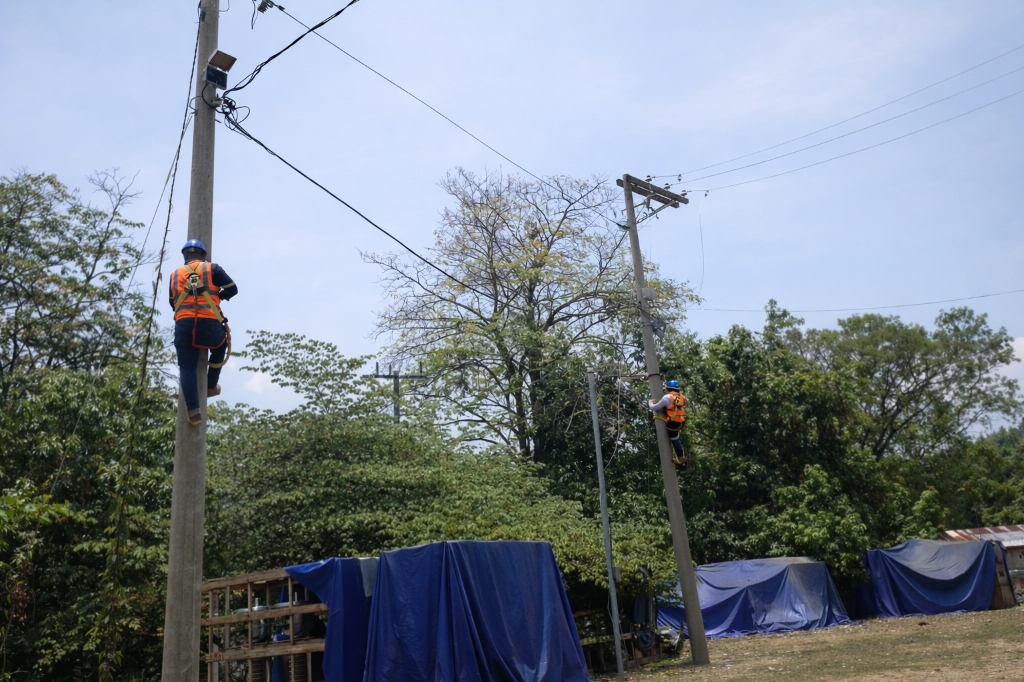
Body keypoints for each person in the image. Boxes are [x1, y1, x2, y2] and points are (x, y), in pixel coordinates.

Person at [168, 239, 237, 425]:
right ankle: (210, 386)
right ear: (204, 255)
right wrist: (219, 296)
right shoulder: (212, 269)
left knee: (187, 367)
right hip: (209, 323)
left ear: (185, 256)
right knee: (221, 346)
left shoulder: (174, 275)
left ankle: (193, 411)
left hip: (184, 324)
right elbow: (233, 289)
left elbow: (172, 302)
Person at [647, 379, 687, 468]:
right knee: (676, 438)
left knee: (675, 440)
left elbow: (653, 407)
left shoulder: (667, 397)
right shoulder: (682, 397)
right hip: (680, 421)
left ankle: (681, 460)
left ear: (668, 389)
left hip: (672, 423)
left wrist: (650, 402)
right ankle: (681, 458)